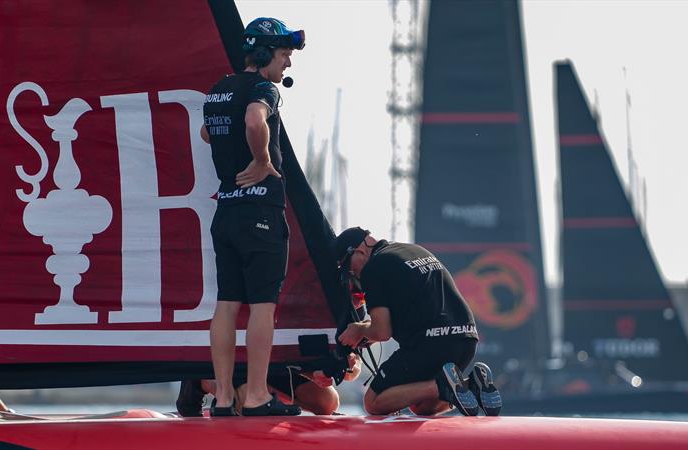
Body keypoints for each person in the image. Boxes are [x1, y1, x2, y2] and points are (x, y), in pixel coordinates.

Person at [200, 17, 306, 417]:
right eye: (283, 56)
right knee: (263, 304)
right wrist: (262, 160)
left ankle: (224, 398)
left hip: (225, 211)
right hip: (260, 210)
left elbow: (207, 134)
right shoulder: (264, 89)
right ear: (264, 55)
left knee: (226, 302)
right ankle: (258, 394)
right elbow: (252, 120)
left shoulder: (217, 91)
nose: (287, 65)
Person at [336, 228, 502, 416]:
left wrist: (358, 329)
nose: (352, 274)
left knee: (374, 402)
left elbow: (382, 332)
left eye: (348, 267)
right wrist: (368, 333)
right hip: (466, 340)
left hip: (431, 344)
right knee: (420, 406)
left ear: (359, 251)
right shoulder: (410, 250)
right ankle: (471, 385)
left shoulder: (373, 268)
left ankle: (443, 385)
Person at [176, 354, 362, 417]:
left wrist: (346, 366)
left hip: (283, 361)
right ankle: (203, 381)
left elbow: (355, 366)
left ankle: (261, 392)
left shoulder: (347, 294)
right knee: (247, 403)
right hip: (245, 354)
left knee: (328, 402)